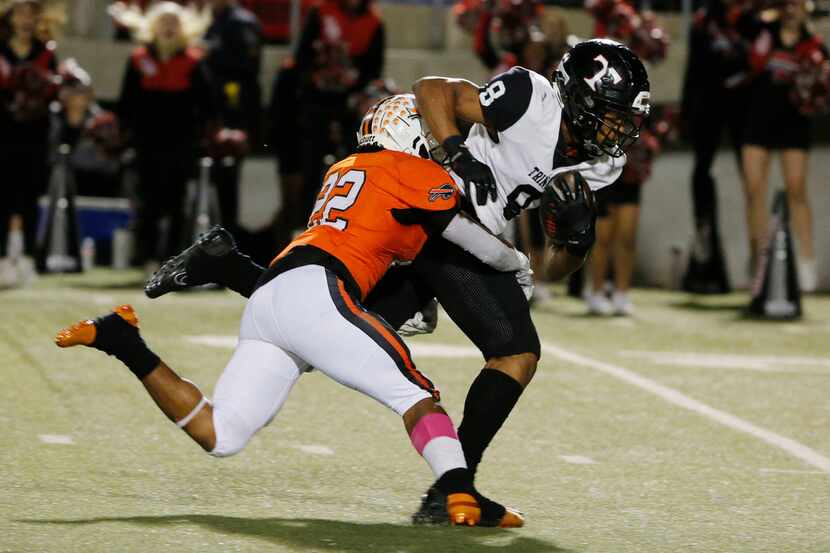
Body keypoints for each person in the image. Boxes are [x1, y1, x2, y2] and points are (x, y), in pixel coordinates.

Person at [147, 39, 651, 525]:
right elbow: (433, 90)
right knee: (515, 350)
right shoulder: (531, 98)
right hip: (435, 210)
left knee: (330, 332)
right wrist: (457, 153)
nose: (617, 132)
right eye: (612, 115)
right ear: (578, 98)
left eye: (624, 120)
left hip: (463, 230)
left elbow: (552, 270)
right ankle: (453, 487)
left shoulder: (602, 164)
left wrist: (577, 244)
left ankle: (226, 264)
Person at [56, 95, 534, 528]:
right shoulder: (413, 173)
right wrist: (518, 263)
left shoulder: (343, 168)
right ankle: (459, 493)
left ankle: (123, 340)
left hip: (272, 296)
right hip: (319, 292)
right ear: (409, 135)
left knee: (220, 433)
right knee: (417, 397)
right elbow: (479, 247)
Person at [269, 0, 385, 251]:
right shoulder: (321, 13)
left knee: (353, 166)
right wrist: (319, 80)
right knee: (309, 170)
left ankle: (347, 234)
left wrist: (350, 85)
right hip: (315, 103)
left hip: (349, 105)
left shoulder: (374, 22)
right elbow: (302, 57)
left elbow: (373, 68)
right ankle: (300, 234)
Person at [117, 1, 216, 272]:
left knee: (176, 204)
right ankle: (145, 258)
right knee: (147, 202)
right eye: (164, 21)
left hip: (181, 144)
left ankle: (173, 260)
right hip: (146, 144)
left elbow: (208, 106)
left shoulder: (194, 62)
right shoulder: (139, 60)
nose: (169, 27)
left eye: (174, 22)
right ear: (153, 27)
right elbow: (126, 103)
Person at [742, 0, 827, 292]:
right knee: (754, 192)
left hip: (794, 124)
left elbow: (820, 94)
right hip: (758, 119)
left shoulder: (814, 45)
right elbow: (750, 64)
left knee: (796, 189)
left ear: (807, 8)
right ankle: (759, 264)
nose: (792, 8)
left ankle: (806, 265)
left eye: (797, 3)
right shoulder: (763, 30)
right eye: (787, 3)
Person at [680, 0, 758, 293]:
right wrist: (686, 112)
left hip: (745, 108)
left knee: (752, 181)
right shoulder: (703, 19)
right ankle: (704, 248)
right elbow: (694, 67)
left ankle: (758, 263)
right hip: (707, 106)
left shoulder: (753, 18)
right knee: (701, 174)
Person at [0, 0, 57, 259]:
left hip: (34, 133)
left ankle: (28, 257)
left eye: (31, 15)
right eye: (21, 14)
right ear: (10, 18)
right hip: (2, 131)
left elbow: (55, 93)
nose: (26, 20)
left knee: (29, 195)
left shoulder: (46, 53)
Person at [203, 0, 262, 239]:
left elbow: (249, 65)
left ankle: (228, 233)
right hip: (205, 106)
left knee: (228, 174)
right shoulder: (205, 20)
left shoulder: (243, 22)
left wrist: (211, 54)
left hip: (232, 106)